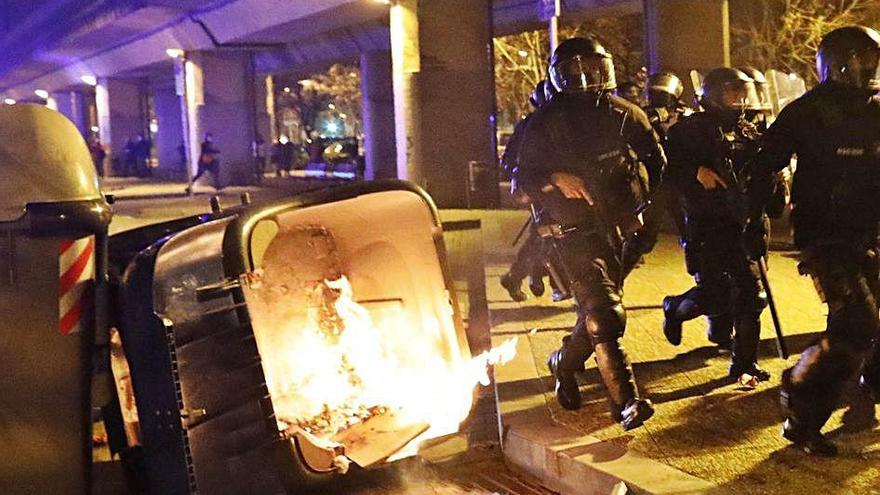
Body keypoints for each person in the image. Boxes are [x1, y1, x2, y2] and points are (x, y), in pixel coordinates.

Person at [514, 37, 664, 430]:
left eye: (592, 69)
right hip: (573, 233)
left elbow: (658, 162)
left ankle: (562, 362)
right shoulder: (542, 124)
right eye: (574, 71)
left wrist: (645, 209)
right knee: (604, 313)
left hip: (622, 232)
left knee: (597, 313)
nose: (584, 78)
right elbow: (519, 182)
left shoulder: (627, 115)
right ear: (558, 77)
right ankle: (627, 404)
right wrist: (552, 178)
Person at [747, 25, 880, 456]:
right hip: (828, 238)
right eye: (858, 60)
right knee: (855, 324)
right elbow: (765, 163)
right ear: (836, 63)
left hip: (873, 229)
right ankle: (800, 409)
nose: (867, 69)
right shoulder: (806, 112)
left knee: (866, 323)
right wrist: (756, 211)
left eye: (872, 60)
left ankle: (872, 381)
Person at [660, 68, 773, 374]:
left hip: (745, 223)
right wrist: (696, 172)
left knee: (752, 295)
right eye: (731, 92)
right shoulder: (691, 129)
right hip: (709, 225)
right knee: (714, 295)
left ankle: (744, 363)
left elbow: (764, 170)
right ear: (714, 95)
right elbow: (665, 168)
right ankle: (674, 308)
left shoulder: (750, 131)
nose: (739, 98)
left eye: (741, 92)